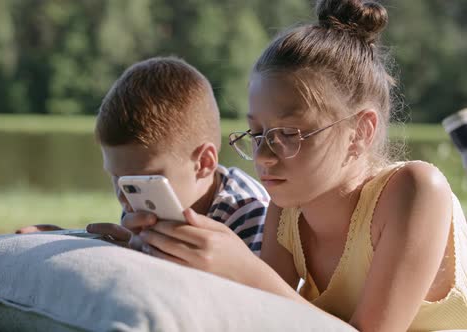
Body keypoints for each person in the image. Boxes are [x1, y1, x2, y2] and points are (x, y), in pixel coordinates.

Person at [130, 1, 467, 330]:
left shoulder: (415, 190)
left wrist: (246, 269)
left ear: (360, 132)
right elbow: (263, 318)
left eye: (288, 133)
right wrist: (160, 254)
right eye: (258, 133)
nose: (263, 157)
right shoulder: (288, 207)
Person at [16, 56, 269, 255]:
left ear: (203, 163)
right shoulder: (139, 203)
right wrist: (77, 245)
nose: (126, 200)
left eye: (143, 182)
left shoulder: (247, 211)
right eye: (118, 179)